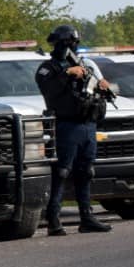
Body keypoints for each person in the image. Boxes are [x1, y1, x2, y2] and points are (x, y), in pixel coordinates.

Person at [35, 24, 114, 236]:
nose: (72, 47)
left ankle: (86, 217)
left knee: (86, 172)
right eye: (68, 43)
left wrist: (101, 85)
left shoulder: (83, 64)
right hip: (66, 125)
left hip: (87, 123)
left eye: (74, 43)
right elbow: (48, 88)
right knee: (62, 172)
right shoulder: (48, 68)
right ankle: (53, 219)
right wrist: (68, 73)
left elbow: (95, 88)